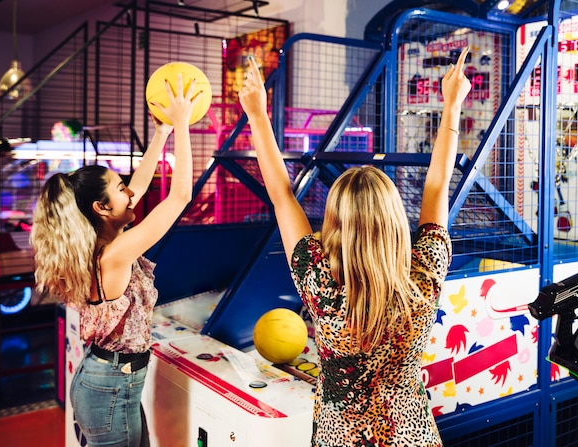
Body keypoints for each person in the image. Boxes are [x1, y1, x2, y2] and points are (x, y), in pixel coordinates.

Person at [238, 48, 471, 447]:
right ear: (394, 217)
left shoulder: (318, 277)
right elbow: (436, 185)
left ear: (334, 220)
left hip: (340, 436)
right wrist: (452, 106)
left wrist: (258, 115)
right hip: (410, 435)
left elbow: (282, 196)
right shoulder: (426, 269)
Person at [30, 74, 201, 446]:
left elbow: (137, 185)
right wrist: (184, 125)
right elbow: (180, 196)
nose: (132, 193)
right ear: (102, 208)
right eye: (121, 190)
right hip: (109, 386)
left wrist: (162, 133)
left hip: (110, 381)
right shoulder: (113, 255)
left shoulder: (105, 239)